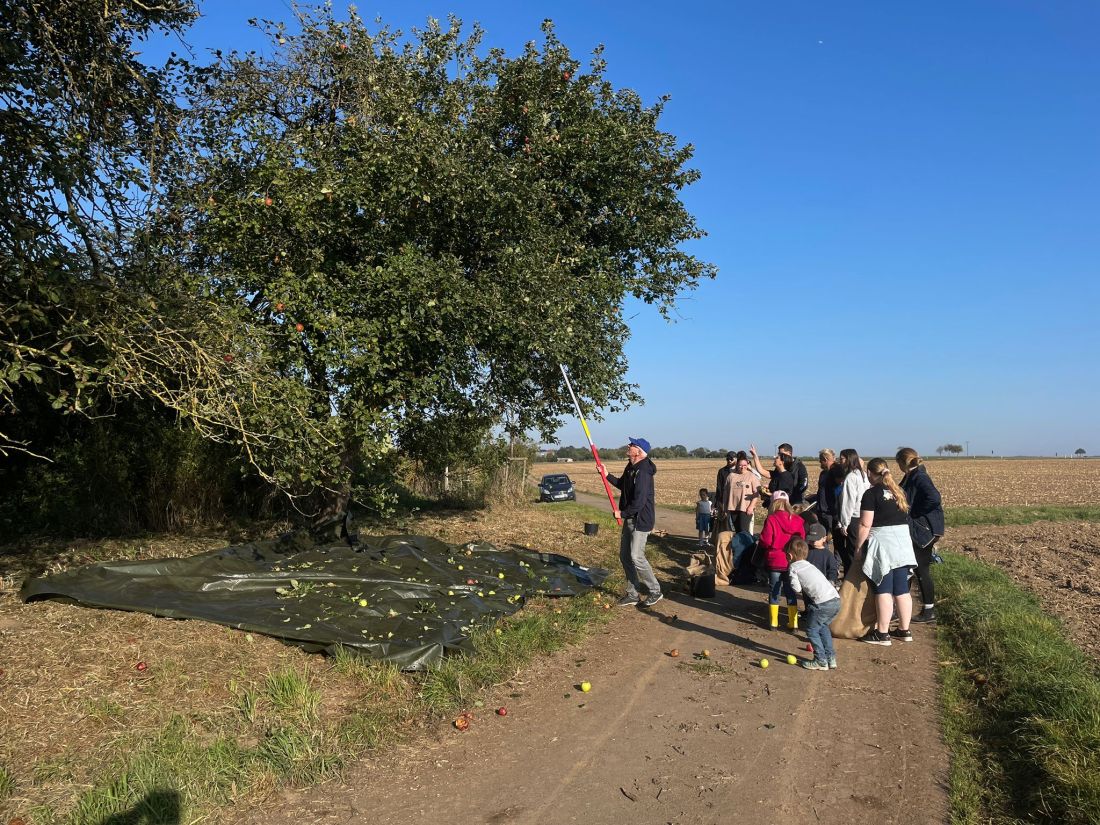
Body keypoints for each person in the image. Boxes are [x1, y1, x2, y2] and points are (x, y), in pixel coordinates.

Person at [855, 458, 918, 645]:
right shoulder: (899, 491)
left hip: (883, 544)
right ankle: (904, 630)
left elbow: (866, 524)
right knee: (901, 590)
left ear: (870, 474)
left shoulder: (871, 494)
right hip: (903, 544)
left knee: (883, 588)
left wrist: (859, 547)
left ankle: (882, 633)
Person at [600, 437, 662, 607]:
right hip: (630, 518)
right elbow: (623, 485)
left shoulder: (643, 471)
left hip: (641, 520)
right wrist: (607, 475)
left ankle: (655, 591)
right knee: (625, 556)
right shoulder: (631, 467)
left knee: (636, 556)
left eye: (632, 445)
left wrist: (622, 513)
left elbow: (640, 501)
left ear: (639, 452)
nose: (628, 446)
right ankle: (632, 593)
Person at [897, 447, 945, 623]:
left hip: (925, 529)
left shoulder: (920, 476)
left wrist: (916, 512)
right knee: (911, 567)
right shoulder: (912, 475)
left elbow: (934, 498)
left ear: (902, 463)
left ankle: (929, 611)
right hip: (921, 527)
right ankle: (900, 607)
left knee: (920, 570)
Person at [786, 537, 841, 670]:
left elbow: (797, 588)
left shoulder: (793, 567)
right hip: (835, 600)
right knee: (823, 627)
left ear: (789, 555)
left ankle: (820, 660)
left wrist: (793, 580)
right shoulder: (810, 565)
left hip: (821, 604)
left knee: (811, 630)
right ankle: (830, 658)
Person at [758, 490, 806, 630]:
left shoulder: (772, 519)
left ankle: (773, 622)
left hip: (775, 560)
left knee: (775, 590)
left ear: (774, 503)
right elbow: (801, 540)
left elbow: (766, 540)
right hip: (792, 560)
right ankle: (793, 622)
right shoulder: (798, 520)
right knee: (791, 591)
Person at [836, 448, 871, 575]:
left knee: (852, 553)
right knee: (861, 550)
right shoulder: (863, 475)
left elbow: (848, 502)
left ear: (849, 459)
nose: (840, 461)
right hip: (865, 517)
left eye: (842, 459)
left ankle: (850, 581)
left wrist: (844, 523)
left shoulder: (850, 477)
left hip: (854, 519)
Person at [719, 452, 760, 534]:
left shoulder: (752, 476)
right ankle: (739, 546)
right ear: (737, 465)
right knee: (737, 530)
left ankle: (748, 546)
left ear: (747, 465)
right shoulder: (731, 476)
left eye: (744, 465)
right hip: (733, 507)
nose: (742, 467)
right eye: (740, 465)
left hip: (745, 508)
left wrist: (751, 507)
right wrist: (724, 507)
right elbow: (726, 493)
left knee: (743, 530)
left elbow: (756, 493)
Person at [810, 449, 839, 536]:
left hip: (830, 512)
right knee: (822, 537)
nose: (819, 462)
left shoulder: (837, 473)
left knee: (834, 538)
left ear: (825, 460)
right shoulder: (823, 473)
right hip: (821, 511)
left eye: (820, 460)